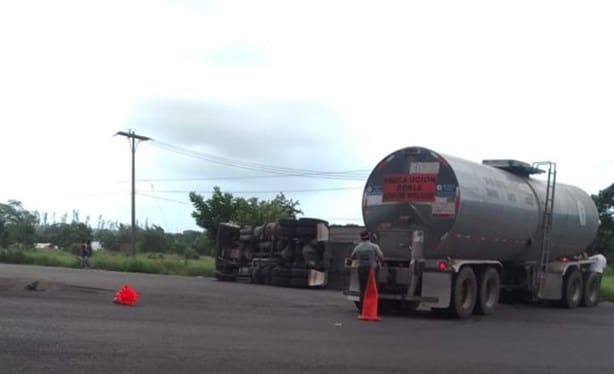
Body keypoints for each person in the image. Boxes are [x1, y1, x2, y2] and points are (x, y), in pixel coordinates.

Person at [350, 230, 384, 308]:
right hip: (372, 270)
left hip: (361, 269)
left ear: (361, 238)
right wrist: (379, 262)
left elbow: (351, 258)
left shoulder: (357, 248)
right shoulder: (374, 246)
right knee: (372, 288)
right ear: (369, 237)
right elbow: (381, 257)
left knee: (363, 289)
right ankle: (372, 307)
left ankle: (363, 307)